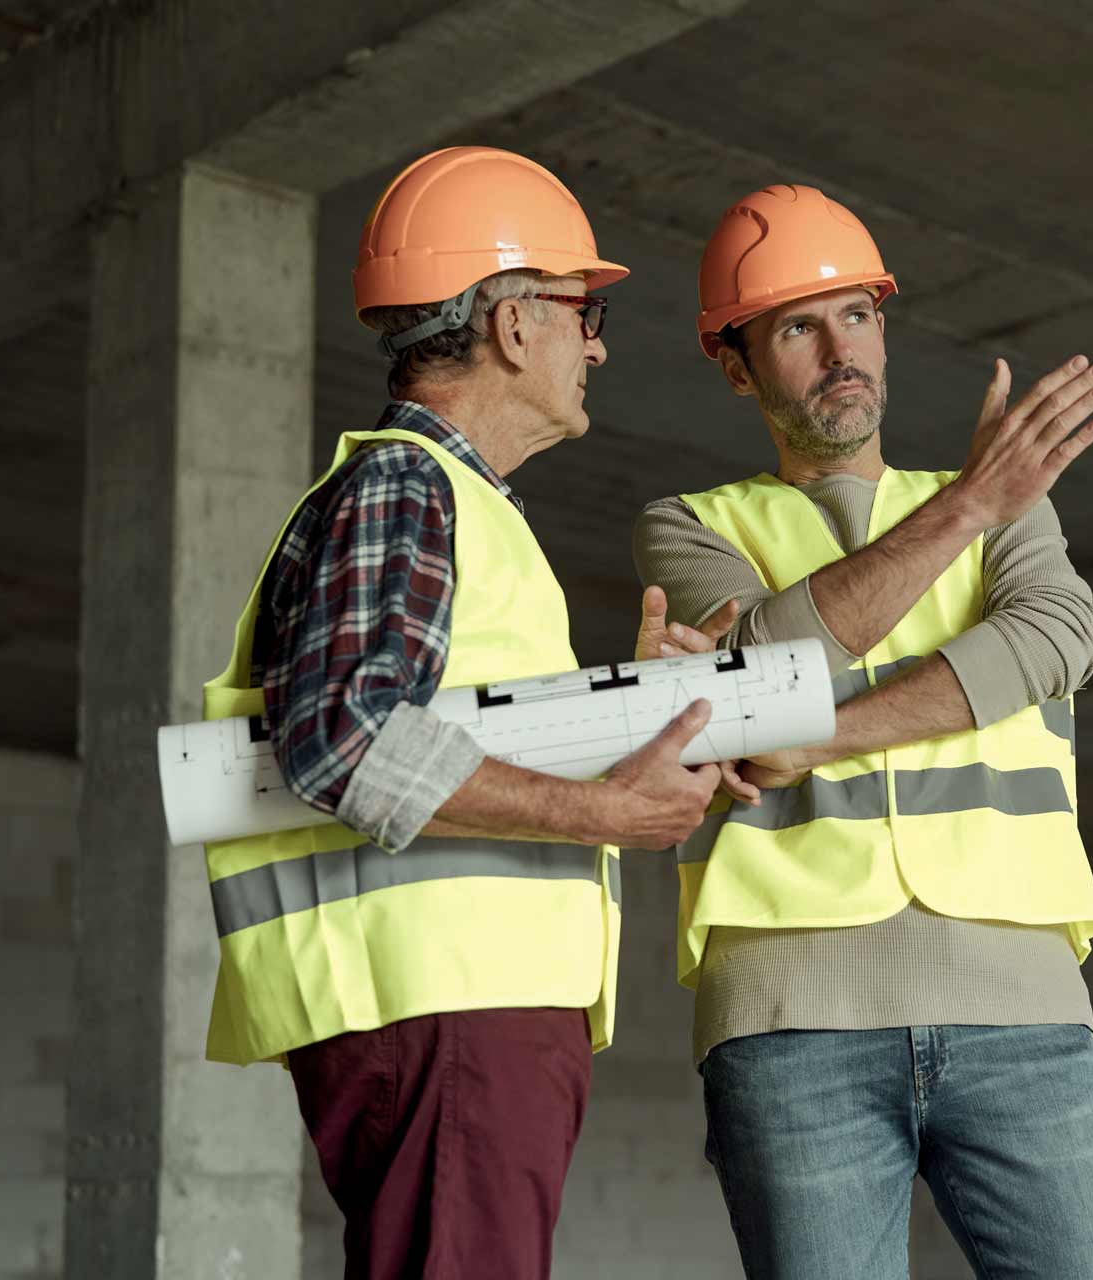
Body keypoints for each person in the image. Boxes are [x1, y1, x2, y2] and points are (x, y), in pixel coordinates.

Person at [196, 146, 724, 1280]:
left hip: (457, 1010)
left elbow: (430, 722)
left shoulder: (451, 501)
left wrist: (624, 730)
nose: (597, 346)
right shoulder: (407, 483)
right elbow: (345, 737)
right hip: (444, 1010)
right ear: (513, 322)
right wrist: (605, 812)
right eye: (583, 312)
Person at [631, 183, 1093, 1279]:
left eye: (858, 314)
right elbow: (748, 686)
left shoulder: (1016, 500)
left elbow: (1056, 639)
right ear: (737, 367)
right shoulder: (691, 526)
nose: (841, 352)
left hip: (1022, 1003)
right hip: (789, 1016)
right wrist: (967, 509)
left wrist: (818, 735)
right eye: (797, 328)